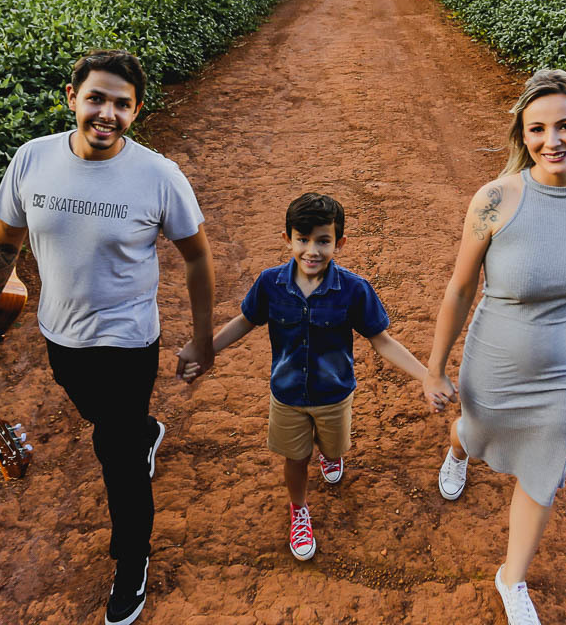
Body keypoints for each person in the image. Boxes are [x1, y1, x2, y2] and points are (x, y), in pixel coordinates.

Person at [0, 48, 215, 625]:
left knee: (115, 455)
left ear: (137, 111)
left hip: (128, 343)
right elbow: (2, 247)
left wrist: (203, 340)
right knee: (100, 420)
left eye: (122, 105)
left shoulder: (158, 176)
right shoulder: (32, 160)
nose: (107, 114)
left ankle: (131, 564)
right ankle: (145, 431)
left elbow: (198, 259)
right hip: (61, 337)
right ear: (71, 98)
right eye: (96, 99)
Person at [423, 69, 566, 625]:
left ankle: (511, 578)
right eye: (537, 129)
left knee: (545, 468)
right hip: (495, 361)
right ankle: (460, 449)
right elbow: (461, 287)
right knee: (474, 426)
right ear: (522, 135)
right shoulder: (495, 199)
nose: (552, 140)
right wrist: (435, 369)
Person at [177, 192, 449, 561]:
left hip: (334, 394)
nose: (312, 251)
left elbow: (381, 340)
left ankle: (330, 455)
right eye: (302, 240)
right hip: (287, 395)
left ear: (340, 242)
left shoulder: (354, 290)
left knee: (334, 448)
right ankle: (299, 507)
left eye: (323, 241)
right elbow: (245, 321)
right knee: (295, 458)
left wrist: (426, 376)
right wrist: (206, 350)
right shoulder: (270, 284)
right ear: (287, 238)